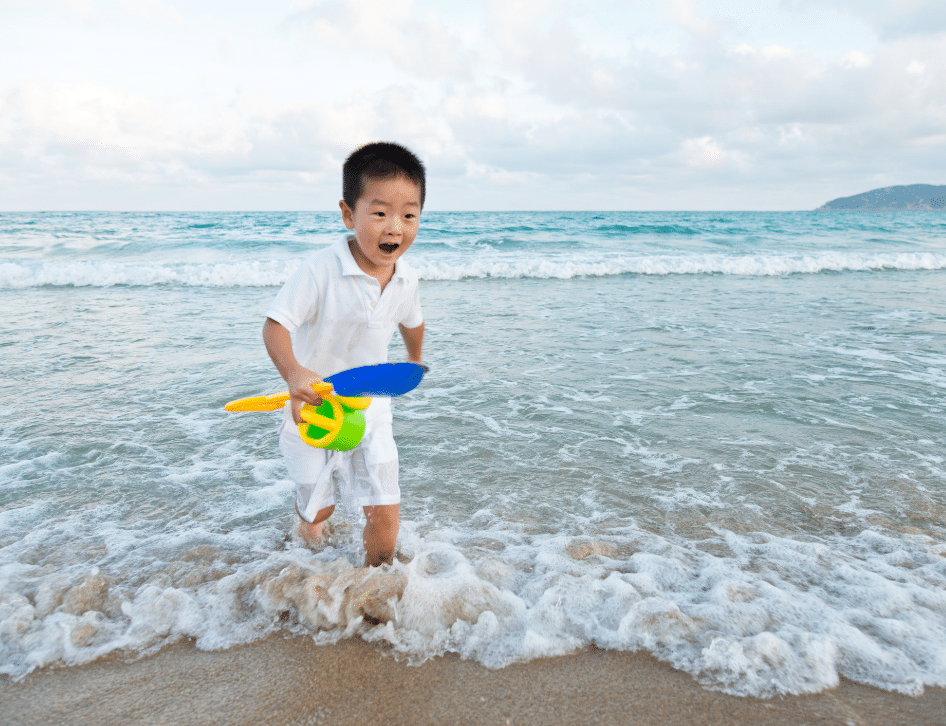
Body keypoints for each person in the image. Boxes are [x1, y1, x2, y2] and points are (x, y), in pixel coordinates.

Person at [262, 142, 425, 567]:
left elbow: (412, 320)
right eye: (380, 213)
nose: (396, 227)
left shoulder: (407, 279)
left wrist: (414, 359)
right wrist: (295, 374)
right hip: (314, 407)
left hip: (371, 407)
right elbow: (275, 325)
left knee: (385, 511)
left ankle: (376, 587)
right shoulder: (320, 269)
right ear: (349, 214)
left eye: (409, 214)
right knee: (321, 510)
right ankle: (307, 526)